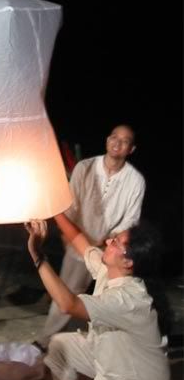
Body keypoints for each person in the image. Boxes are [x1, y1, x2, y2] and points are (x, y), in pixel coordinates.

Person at [26, 217, 170, 380]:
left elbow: (68, 305)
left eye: (116, 242)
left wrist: (37, 255)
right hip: (109, 358)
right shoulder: (109, 270)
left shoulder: (128, 299)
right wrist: (54, 211)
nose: (108, 242)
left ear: (128, 261)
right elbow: (78, 239)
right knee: (59, 345)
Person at [35, 124, 146, 350]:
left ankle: (78, 341)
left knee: (99, 297)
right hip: (77, 242)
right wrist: (71, 237)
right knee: (69, 290)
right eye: (114, 137)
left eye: (124, 140)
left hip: (109, 248)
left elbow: (130, 220)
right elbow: (71, 203)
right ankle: (47, 340)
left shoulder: (135, 181)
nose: (117, 142)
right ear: (107, 140)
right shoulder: (85, 167)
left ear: (131, 149)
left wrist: (108, 241)